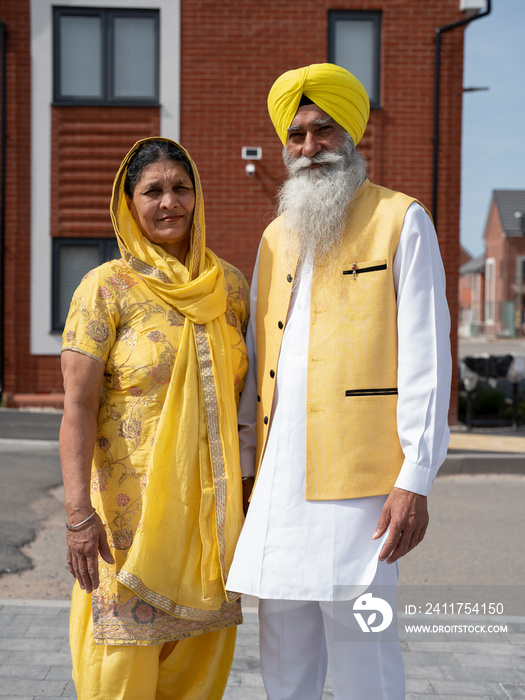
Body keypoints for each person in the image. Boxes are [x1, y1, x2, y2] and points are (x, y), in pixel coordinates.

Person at [227, 63, 452, 699]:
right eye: (295, 135)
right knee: (283, 659)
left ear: (352, 133)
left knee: (363, 662)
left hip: (362, 490)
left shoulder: (400, 220)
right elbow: (257, 363)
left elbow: (427, 359)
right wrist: (248, 467)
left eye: (322, 130)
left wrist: (415, 478)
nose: (307, 148)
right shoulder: (276, 236)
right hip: (278, 485)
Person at [59, 137, 250, 700]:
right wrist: (77, 515)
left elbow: (253, 402)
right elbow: (78, 407)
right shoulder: (106, 289)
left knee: (198, 674)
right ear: (128, 203)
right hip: (127, 527)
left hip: (208, 524)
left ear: (198, 196)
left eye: (180, 188)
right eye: (153, 191)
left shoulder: (229, 288)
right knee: (118, 674)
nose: (170, 202)